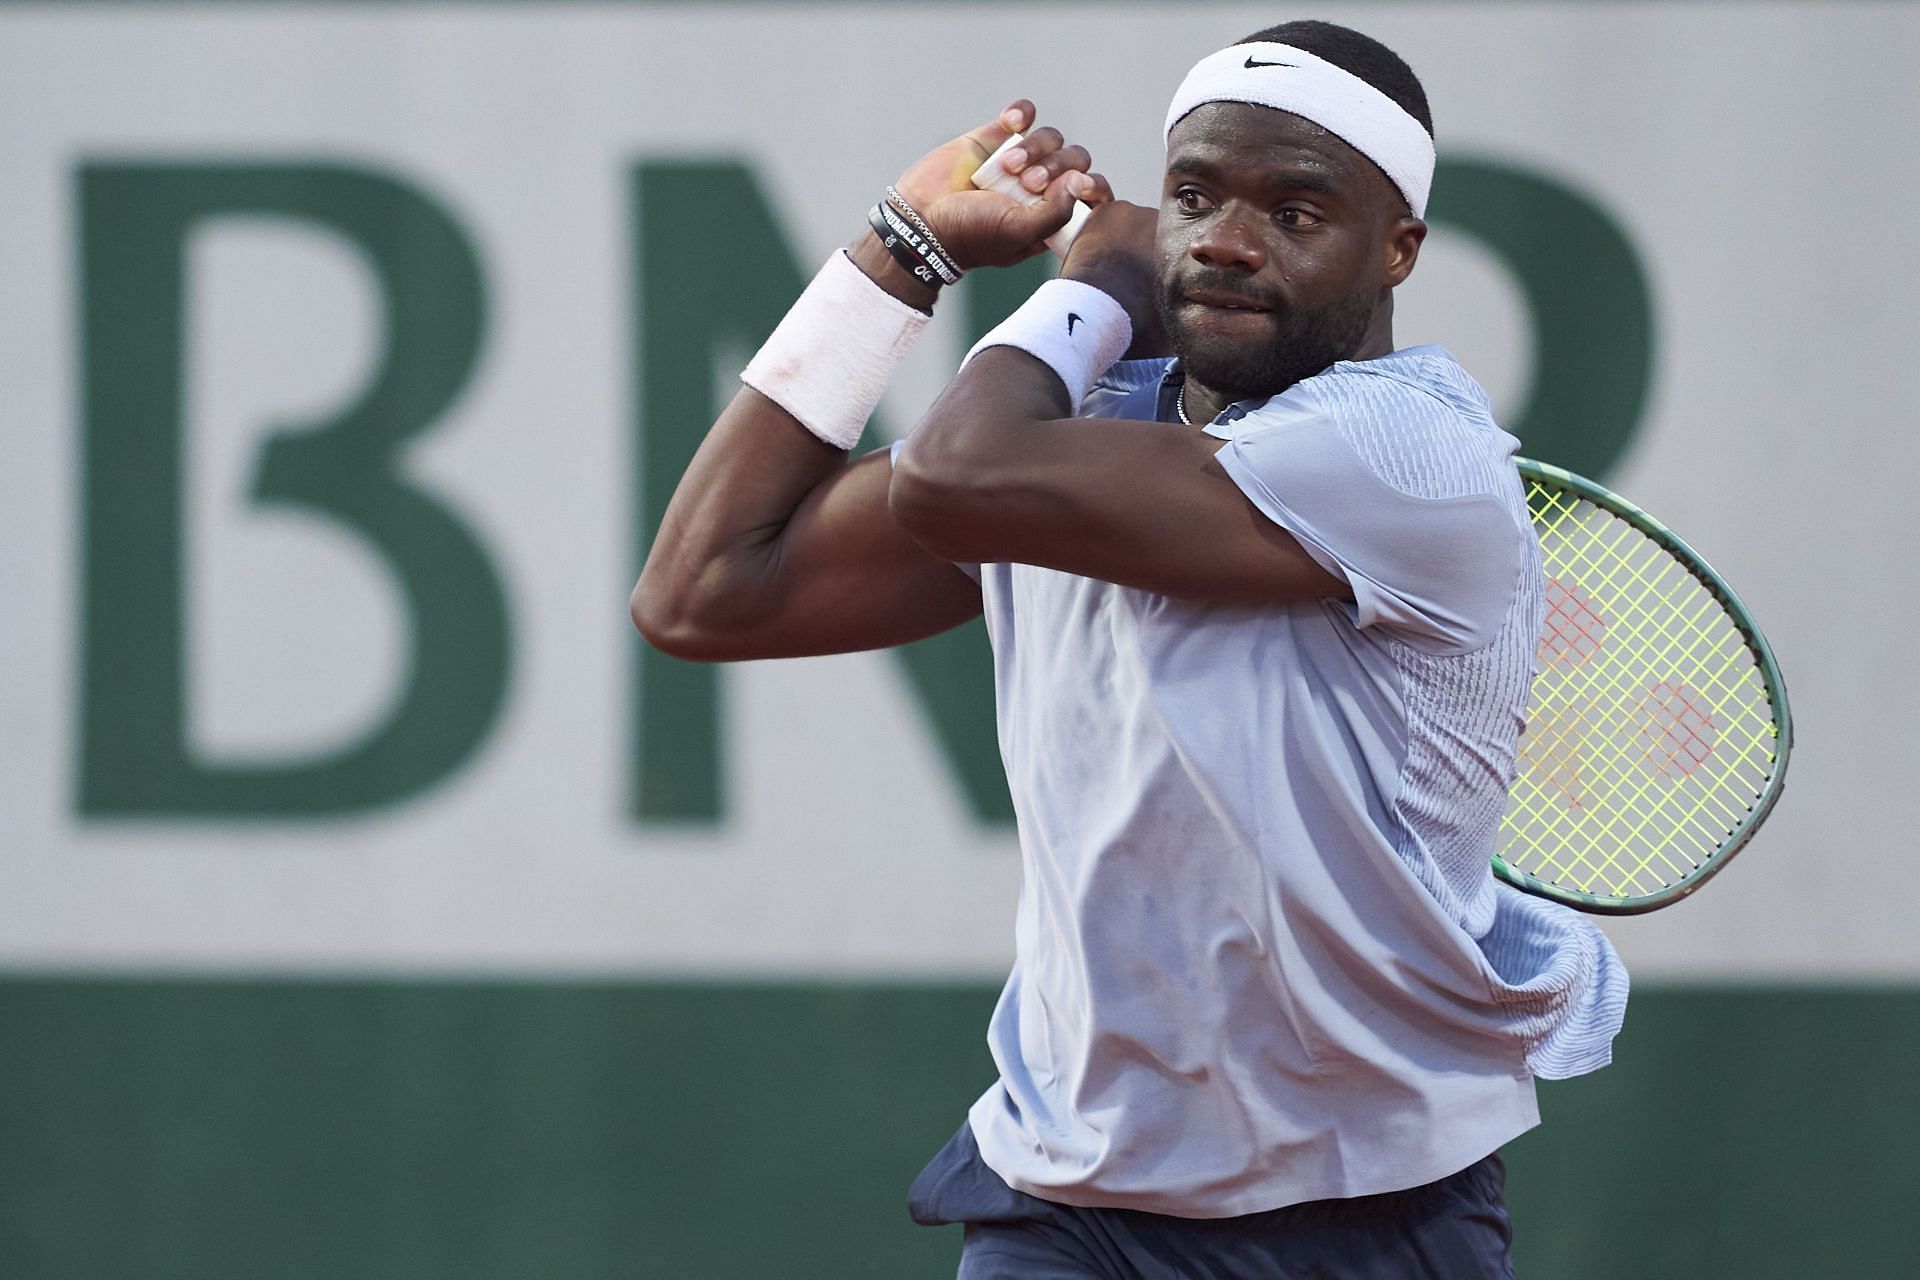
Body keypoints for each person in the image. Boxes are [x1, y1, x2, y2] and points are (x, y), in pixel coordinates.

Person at [633, 18, 1627, 1278]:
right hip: (1069, 1203)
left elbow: (955, 473)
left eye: (1295, 210)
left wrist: (1096, 282)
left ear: (1400, 249)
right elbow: (704, 589)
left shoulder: (1410, 458)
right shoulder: (1081, 442)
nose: (1221, 237)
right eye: (1198, 195)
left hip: (1369, 1207)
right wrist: (900, 249)